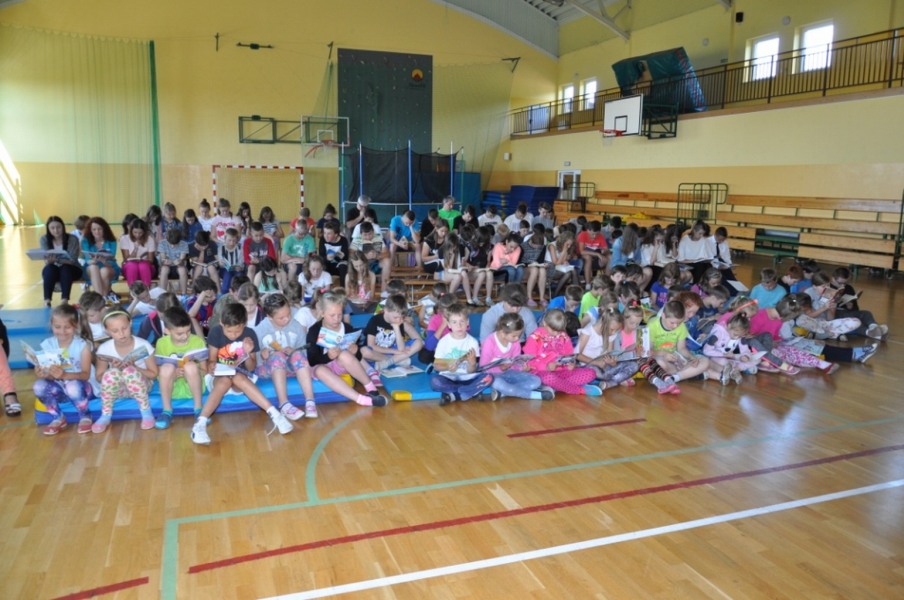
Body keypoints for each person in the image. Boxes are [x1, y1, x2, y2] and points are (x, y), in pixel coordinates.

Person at [192, 302, 295, 445]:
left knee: (236, 376)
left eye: (237, 331)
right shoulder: (215, 332)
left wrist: (247, 353)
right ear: (221, 323)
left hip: (241, 381)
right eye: (229, 331)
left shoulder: (249, 334)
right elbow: (212, 361)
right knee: (226, 380)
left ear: (244, 325)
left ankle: (276, 416)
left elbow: (251, 367)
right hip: (218, 379)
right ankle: (200, 425)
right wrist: (212, 365)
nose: (233, 335)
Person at [305, 292, 389, 406]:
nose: (336, 319)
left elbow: (358, 358)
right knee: (320, 370)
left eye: (339, 315)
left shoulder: (347, 328)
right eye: (332, 315)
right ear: (323, 313)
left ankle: (371, 389)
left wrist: (356, 351)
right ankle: (361, 399)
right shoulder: (314, 330)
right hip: (321, 365)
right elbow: (312, 360)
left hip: (340, 365)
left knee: (344, 355)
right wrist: (328, 356)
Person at [32, 305, 97, 435]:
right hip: (61, 391)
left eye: (67, 327)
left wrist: (65, 375)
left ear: (76, 326)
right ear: (51, 325)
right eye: (57, 327)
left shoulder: (82, 345)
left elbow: (85, 375)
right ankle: (58, 417)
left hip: (83, 390)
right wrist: (43, 373)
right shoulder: (47, 344)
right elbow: (50, 375)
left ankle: (85, 416)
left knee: (72, 385)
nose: (62, 331)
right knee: (38, 385)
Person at [93, 310, 158, 433]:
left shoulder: (143, 345)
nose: (121, 334)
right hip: (118, 390)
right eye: (115, 331)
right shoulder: (104, 348)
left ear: (131, 323)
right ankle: (106, 415)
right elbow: (99, 377)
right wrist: (113, 369)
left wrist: (136, 368)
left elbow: (154, 374)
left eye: (124, 328)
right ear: (107, 331)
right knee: (112, 374)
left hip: (141, 386)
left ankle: (146, 412)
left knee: (129, 371)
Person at [253, 293, 316, 419]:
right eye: (281, 318)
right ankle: (284, 404)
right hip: (269, 369)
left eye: (288, 314)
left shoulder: (296, 326)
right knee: (277, 356)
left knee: (297, 355)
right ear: (269, 316)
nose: (286, 319)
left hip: (291, 368)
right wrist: (262, 355)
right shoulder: (259, 331)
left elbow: (304, 353)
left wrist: (295, 351)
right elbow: (253, 362)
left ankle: (310, 401)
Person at [522, 309, 600, 396]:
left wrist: (571, 364)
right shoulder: (534, 337)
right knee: (548, 378)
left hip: (561, 372)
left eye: (559, 331)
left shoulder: (564, 336)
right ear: (545, 323)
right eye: (553, 330)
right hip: (541, 372)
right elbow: (529, 360)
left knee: (591, 373)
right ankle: (578, 389)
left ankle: (557, 386)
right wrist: (546, 367)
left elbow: (569, 355)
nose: (556, 333)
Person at [429, 302, 495, 404]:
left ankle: (454, 395)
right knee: (435, 381)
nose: (459, 326)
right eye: (454, 322)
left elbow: (471, 371)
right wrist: (447, 367)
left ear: (467, 322)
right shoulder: (443, 342)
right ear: (449, 324)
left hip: (466, 378)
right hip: (448, 377)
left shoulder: (472, 342)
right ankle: (471, 391)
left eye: (462, 321)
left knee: (489, 377)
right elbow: (436, 366)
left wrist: (472, 364)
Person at [647, 300, 720, 392]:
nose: (675, 326)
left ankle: (675, 377)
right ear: (663, 315)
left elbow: (681, 348)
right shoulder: (652, 325)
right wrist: (664, 354)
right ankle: (690, 374)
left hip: (676, 359)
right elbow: (648, 351)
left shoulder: (681, 326)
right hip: (660, 358)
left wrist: (691, 357)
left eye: (678, 323)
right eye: (672, 322)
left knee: (705, 361)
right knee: (660, 363)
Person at [153, 307, 207, 429]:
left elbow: (205, 370)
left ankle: (199, 409)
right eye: (179, 334)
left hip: (194, 386)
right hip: (172, 388)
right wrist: (174, 373)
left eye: (188, 331)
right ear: (167, 330)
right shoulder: (161, 343)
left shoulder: (197, 341)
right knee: (166, 367)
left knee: (190, 365)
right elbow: (159, 371)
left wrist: (192, 371)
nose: (185, 336)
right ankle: (167, 411)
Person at [479, 312, 549, 400]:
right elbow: (483, 367)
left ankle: (503, 392)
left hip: (510, 374)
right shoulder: (490, 342)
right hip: (493, 375)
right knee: (497, 383)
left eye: (519, 335)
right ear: (502, 332)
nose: (517, 338)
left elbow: (516, 362)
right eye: (514, 336)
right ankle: (533, 395)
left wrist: (522, 368)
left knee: (536, 381)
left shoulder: (515, 342)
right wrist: (500, 368)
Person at [576, 306, 639, 389]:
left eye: (616, 330)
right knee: (592, 372)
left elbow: (610, 353)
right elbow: (577, 355)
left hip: (604, 368)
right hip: (589, 366)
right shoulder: (587, 333)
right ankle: (615, 379)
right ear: (603, 322)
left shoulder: (611, 335)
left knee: (634, 366)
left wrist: (612, 362)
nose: (613, 333)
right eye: (612, 329)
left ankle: (609, 383)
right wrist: (596, 362)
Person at [361, 293, 423, 369]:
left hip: (392, 354)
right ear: (386, 310)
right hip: (377, 353)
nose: (398, 320)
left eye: (401, 317)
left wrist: (396, 328)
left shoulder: (399, 322)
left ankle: (389, 362)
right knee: (364, 351)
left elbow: (401, 349)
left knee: (419, 343)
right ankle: (398, 361)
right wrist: (394, 351)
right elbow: (371, 345)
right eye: (395, 317)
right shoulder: (375, 320)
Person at [39, 216, 83, 307]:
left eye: (58, 227)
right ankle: (47, 300)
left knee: (65, 268)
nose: (56, 230)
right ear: (48, 229)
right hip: (54, 269)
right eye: (52, 228)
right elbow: (46, 259)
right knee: (49, 268)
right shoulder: (44, 239)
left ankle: (64, 300)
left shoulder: (72, 239)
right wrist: (49, 261)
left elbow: (72, 259)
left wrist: (57, 260)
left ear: (63, 227)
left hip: (72, 269)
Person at [80, 216, 121, 302]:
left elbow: (111, 258)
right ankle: (102, 298)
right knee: (93, 267)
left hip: (109, 266)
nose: (97, 232)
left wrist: (104, 261)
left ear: (104, 229)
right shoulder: (85, 241)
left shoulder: (111, 241)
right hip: (91, 267)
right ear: (90, 230)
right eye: (94, 229)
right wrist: (93, 261)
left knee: (104, 270)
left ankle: (101, 299)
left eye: (99, 229)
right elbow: (87, 259)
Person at [350, 221, 392, 298]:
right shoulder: (357, 239)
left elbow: (387, 254)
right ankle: (359, 291)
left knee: (387, 261)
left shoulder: (377, 238)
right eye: (365, 235)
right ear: (361, 234)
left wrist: (377, 256)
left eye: (370, 234)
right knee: (356, 262)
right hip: (361, 264)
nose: (368, 237)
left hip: (374, 263)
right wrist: (363, 256)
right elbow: (350, 253)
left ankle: (384, 291)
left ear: (373, 232)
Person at [519, 223, 549, 307]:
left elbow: (541, 260)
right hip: (525, 268)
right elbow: (520, 262)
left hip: (536, 266)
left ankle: (542, 298)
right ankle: (529, 297)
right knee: (535, 270)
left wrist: (543, 264)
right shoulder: (523, 246)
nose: (537, 249)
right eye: (535, 246)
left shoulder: (542, 247)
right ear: (531, 241)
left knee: (543, 270)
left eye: (538, 247)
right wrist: (530, 264)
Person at [157, 226, 190, 295]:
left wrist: (180, 261)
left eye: (175, 244)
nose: (173, 246)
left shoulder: (184, 244)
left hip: (179, 267)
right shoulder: (162, 243)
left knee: (182, 270)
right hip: (166, 267)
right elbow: (162, 259)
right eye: (170, 244)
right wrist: (165, 261)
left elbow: (182, 259)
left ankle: (184, 294)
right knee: (164, 269)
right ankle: (162, 294)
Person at [577, 221, 609, 286]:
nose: (594, 236)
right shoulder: (583, 235)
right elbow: (581, 251)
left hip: (596, 259)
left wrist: (603, 252)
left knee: (610, 257)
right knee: (588, 257)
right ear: (588, 230)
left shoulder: (601, 236)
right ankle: (588, 284)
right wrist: (597, 254)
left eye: (596, 234)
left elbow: (606, 249)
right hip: (583, 258)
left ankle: (606, 282)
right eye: (592, 234)